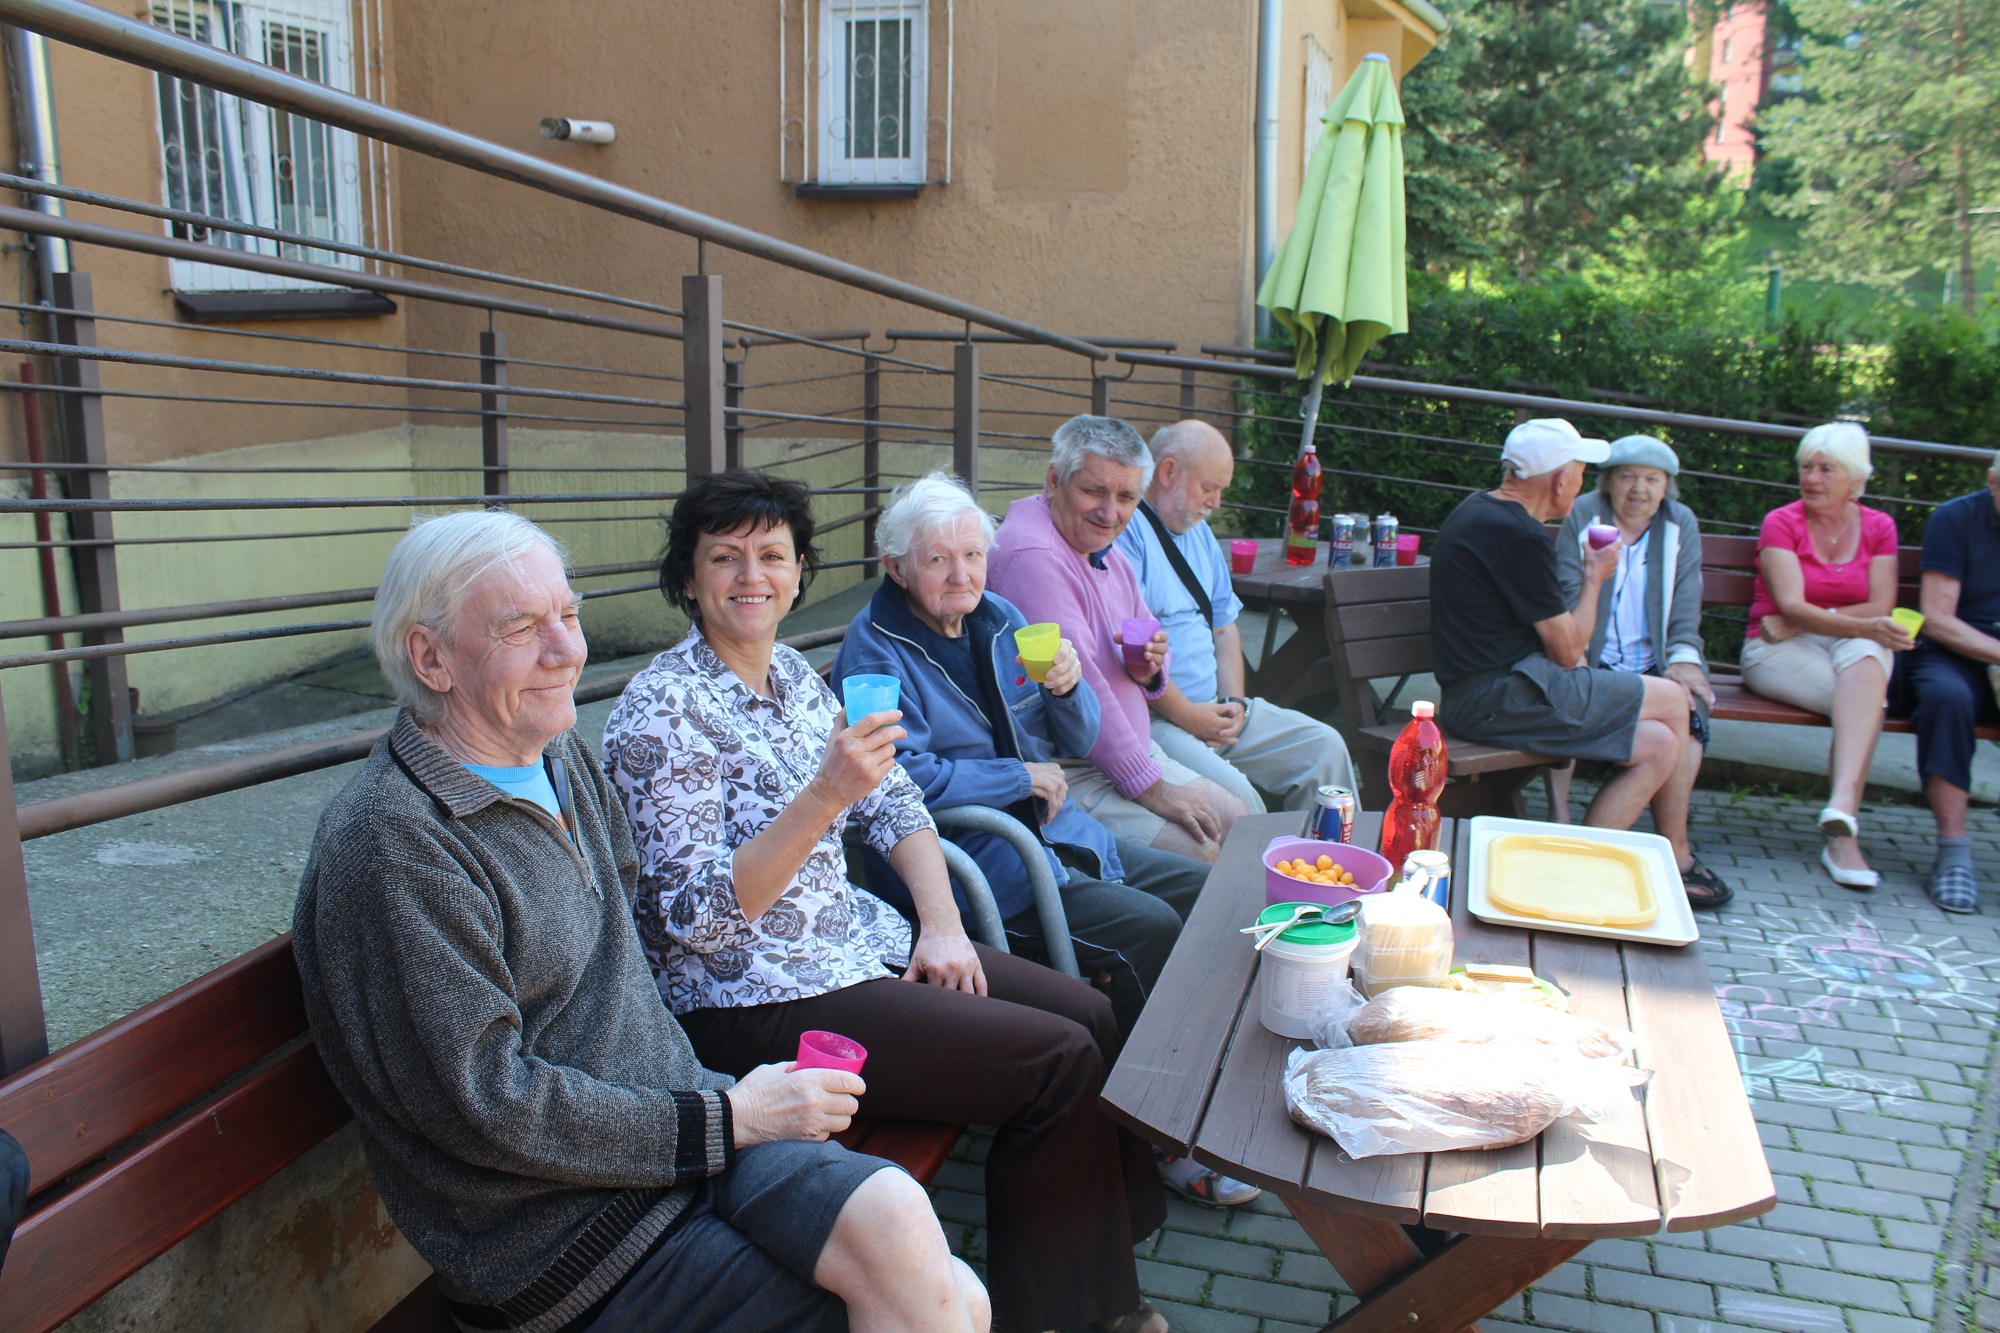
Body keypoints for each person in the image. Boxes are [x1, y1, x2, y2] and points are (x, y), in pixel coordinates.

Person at [293, 509, 988, 1333]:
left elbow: (625, 946)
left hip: (687, 1137)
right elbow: (485, 1104)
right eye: (522, 627)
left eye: (569, 616)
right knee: (944, 1306)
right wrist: (728, 1117)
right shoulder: (393, 844)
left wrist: (715, 1116)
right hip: (568, 1237)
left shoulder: (557, 757)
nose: (566, 651)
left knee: (907, 1229)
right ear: (431, 658)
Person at [604, 470, 1172, 1333]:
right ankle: (1069, 1316)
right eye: (724, 558)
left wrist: (942, 925)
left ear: (799, 573)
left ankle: (1104, 1269)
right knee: (1054, 1064)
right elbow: (693, 922)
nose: (751, 576)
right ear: (687, 578)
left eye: (771, 555)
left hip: (855, 949)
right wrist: (821, 799)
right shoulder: (659, 712)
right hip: (753, 998)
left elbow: (896, 800)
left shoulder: (794, 677)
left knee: (1089, 1014)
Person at [834, 472, 1259, 1209]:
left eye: (973, 553)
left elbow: (1084, 737)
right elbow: (894, 779)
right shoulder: (876, 655)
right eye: (938, 560)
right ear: (896, 567)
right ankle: (1154, 1135)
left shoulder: (998, 618)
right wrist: (1012, 775)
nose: (962, 573)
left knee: (1217, 893)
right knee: (1148, 931)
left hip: (1065, 841)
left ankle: (1201, 1086)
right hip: (987, 871)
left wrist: (1068, 687)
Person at [988, 415, 1250, 864]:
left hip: (1125, 749)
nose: (1110, 513)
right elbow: (1083, 686)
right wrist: (1152, 788)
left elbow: (1147, 633)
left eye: (1126, 496)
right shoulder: (1034, 556)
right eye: (1094, 491)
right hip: (1070, 770)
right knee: (1201, 853)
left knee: (1241, 821)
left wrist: (1149, 669)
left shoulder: (1100, 546)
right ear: (1055, 481)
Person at [1431, 418, 1691, 840]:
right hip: (1501, 697)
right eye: (1581, 472)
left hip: (1490, 692)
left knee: (1659, 743)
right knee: (1674, 700)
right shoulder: (1518, 535)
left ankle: (1577, 857)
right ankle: (1676, 851)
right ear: (1560, 479)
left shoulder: (1480, 511)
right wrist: (1595, 578)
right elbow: (1567, 652)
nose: (1582, 482)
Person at [1115, 419, 1358, 813]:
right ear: (1168, 472)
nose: (1216, 503)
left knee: (1325, 748)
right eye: (1208, 488)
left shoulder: (1198, 532)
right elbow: (1133, 659)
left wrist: (1234, 705)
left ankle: (1331, 869)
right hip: (1159, 721)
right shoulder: (1128, 536)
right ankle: (1275, 872)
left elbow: (1225, 628)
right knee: (1245, 804)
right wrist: (1192, 717)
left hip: (1213, 709)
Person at [1554, 436, 1735, 909]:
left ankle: (1672, 849)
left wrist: (1683, 661)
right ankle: (1561, 821)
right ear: (1609, 481)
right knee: (1568, 688)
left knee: (1689, 727)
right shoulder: (1586, 513)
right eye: (1628, 476)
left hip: (1653, 663)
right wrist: (1575, 649)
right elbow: (1567, 585)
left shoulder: (1679, 525)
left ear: (1666, 488)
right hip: (1593, 655)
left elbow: (1687, 608)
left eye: (1652, 480)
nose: (1639, 490)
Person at [1741, 422, 1915, 890]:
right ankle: (1843, 835)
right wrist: (1807, 620)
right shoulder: (1782, 521)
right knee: (1865, 698)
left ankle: (1840, 809)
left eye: (1825, 469)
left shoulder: (1879, 526)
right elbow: (1791, 604)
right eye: (1806, 467)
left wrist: (1806, 620)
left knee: (1867, 649)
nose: (1811, 478)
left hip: (1821, 640)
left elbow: (1881, 605)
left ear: (1855, 479)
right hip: (1772, 648)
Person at [1890, 449, 2000, 912]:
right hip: (1956, 654)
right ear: (1994, 481)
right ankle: (1953, 855)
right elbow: (1936, 618)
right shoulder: (1955, 519)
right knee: (1946, 698)